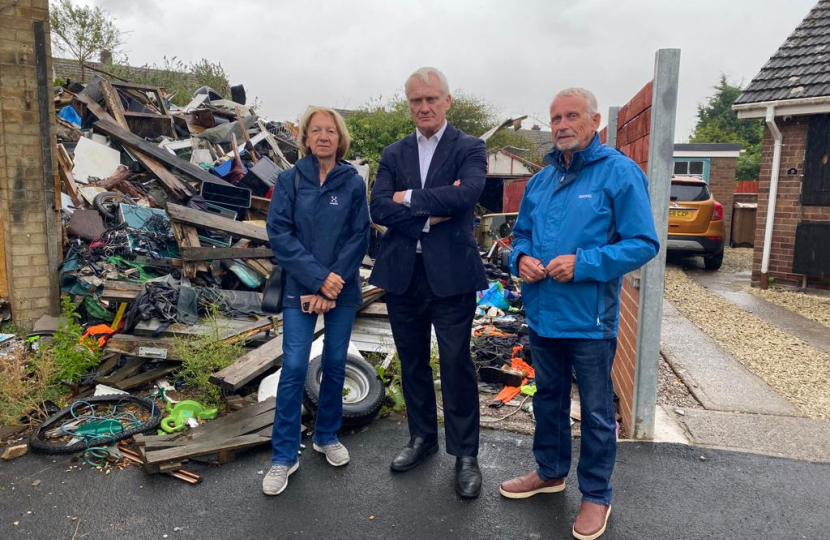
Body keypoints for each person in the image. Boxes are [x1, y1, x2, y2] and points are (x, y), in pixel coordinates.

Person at [498, 88, 659, 540]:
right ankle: (549, 472)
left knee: (595, 411)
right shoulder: (541, 180)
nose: (562, 125)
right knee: (547, 399)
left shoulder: (620, 174)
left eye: (571, 116)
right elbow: (522, 235)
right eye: (555, 118)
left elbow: (643, 243)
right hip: (543, 313)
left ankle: (596, 494)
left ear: (592, 122)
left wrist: (584, 263)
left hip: (590, 320)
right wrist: (520, 259)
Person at [369, 67, 488, 498]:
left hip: (452, 276)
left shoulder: (470, 147)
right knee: (412, 361)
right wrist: (430, 209)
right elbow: (379, 207)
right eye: (416, 100)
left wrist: (409, 199)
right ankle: (422, 438)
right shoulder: (394, 152)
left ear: (447, 101)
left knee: (456, 364)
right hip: (404, 275)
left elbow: (466, 196)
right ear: (409, 105)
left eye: (431, 99)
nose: (424, 107)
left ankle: (465, 455)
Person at [263, 107, 370, 496]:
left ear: (340, 139)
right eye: (316, 131)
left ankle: (326, 435)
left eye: (331, 131)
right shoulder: (290, 180)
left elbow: (359, 236)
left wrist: (331, 285)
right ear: (306, 138)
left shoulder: (353, 182)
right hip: (300, 288)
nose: (324, 136)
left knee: (335, 362)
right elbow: (280, 234)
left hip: (340, 289)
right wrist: (317, 278)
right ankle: (284, 456)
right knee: (293, 367)